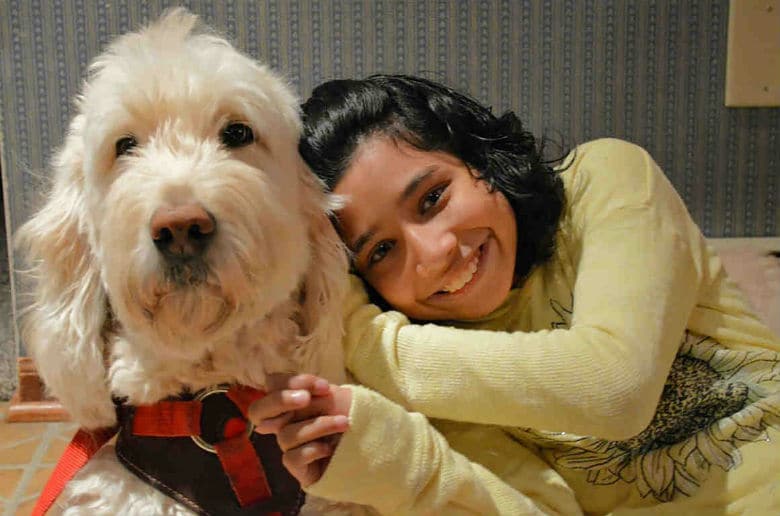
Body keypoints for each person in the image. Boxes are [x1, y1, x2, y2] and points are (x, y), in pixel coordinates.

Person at [250, 75, 780, 515]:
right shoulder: (437, 366)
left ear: (479, 160)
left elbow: (616, 387)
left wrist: (369, 344)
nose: (433, 253)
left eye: (433, 198)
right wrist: (390, 457)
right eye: (383, 251)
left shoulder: (607, 180)